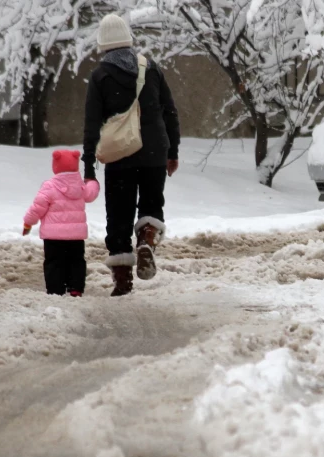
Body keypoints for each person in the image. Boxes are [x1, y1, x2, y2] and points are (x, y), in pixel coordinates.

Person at [82, 14, 180, 297]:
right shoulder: (151, 68)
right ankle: (147, 239)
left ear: (102, 43)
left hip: (120, 154)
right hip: (154, 151)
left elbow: (91, 124)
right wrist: (172, 151)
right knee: (151, 203)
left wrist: (88, 165)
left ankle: (122, 280)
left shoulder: (100, 76)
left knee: (119, 214)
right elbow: (170, 112)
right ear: (128, 38)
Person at [23, 150, 101, 297]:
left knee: (53, 263)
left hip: (53, 238)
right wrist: (93, 182)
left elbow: (37, 208)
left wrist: (28, 222)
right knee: (76, 262)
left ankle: (55, 290)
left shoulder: (49, 186)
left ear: (56, 165)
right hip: (76, 237)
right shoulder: (80, 186)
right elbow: (91, 194)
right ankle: (75, 288)